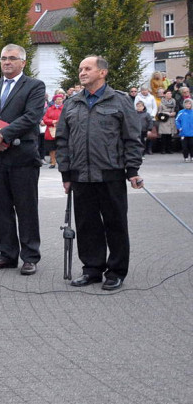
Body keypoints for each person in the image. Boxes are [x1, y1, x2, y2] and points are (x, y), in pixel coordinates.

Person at [57, 56, 143, 290]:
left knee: (115, 223)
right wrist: (66, 173)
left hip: (111, 173)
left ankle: (116, 271)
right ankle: (92, 269)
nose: (82, 72)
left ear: (102, 73)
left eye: (88, 68)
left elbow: (132, 138)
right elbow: (62, 140)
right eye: (80, 69)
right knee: (87, 224)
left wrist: (133, 169)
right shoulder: (72, 103)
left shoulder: (120, 101)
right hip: (80, 175)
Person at [0, 44, 46, 276]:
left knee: (26, 208)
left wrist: (3, 135)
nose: (7, 62)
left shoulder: (34, 86)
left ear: (23, 62)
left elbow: (32, 117)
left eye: (12, 58)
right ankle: (6, 254)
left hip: (22, 157)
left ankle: (30, 256)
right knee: (0, 208)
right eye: (3, 58)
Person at [43, 92, 65, 168]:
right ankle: (53, 162)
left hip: (62, 130)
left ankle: (61, 161)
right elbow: (45, 119)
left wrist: (59, 122)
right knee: (51, 148)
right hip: (50, 130)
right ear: (55, 100)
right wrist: (52, 121)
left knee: (61, 147)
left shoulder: (65, 108)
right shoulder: (50, 109)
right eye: (58, 99)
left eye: (61, 99)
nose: (60, 100)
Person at [157, 88, 177, 153]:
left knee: (170, 135)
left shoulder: (174, 101)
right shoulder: (161, 102)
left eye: (170, 93)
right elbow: (159, 112)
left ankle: (169, 149)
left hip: (172, 119)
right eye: (168, 93)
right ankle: (163, 149)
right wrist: (167, 113)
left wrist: (174, 113)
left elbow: (176, 109)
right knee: (164, 135)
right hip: (164, 119)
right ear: (164, 95)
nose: (169, 95)